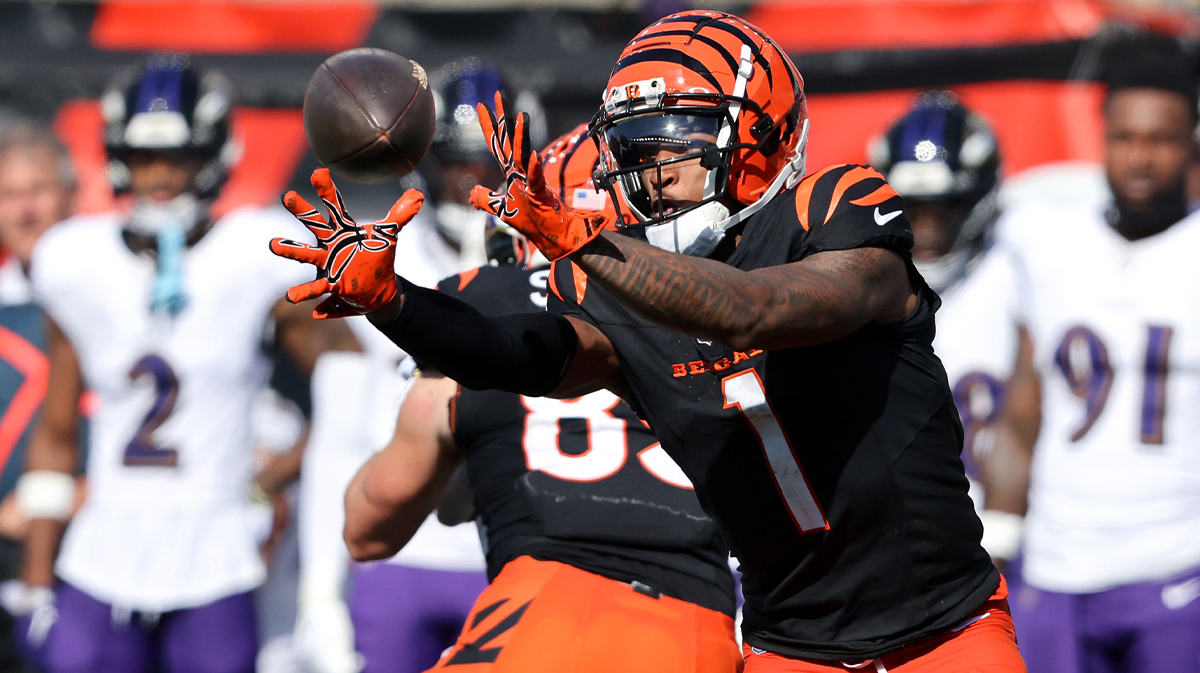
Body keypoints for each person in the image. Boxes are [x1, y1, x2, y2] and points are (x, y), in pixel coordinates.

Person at [270, 10, 1025, 672]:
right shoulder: (612, 288)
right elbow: (513, 356)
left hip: (948, 628)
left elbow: (758, 310)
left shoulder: (835, 207)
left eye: (675, 141)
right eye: (631, 146)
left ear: (759, 132)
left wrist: (593, 248)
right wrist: (394, 301)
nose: (648, 168)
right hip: (790, 645)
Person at [343, 124, 741, 673]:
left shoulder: (481, 302)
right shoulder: (726, 310)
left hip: (545, 608)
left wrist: (464, 471)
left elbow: (368, 527)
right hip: (706, 628)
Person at [14, 54, 359, 673]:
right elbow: (58, 433)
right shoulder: (75, 259)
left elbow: (352, 386)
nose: (161, 176)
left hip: (217, 546)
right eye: (145, 157)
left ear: (216, 156)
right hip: (102, 548)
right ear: (118, 156)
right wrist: (38, 581)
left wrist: (272, 479)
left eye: (179, 156)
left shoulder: (254, 253)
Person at [293, 58, 543, 673]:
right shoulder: (369, 256)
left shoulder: (560, 264)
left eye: (488, 167)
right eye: (458, 165)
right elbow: (337, 441)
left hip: (521, 546)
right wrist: (319, 593)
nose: (473, 185)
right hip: (402, 551)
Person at [987, 41, 1200, 673]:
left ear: (1191, 143)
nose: (1141, 156)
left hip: (1176, 558)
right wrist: (1000, 536)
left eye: (1161, 139)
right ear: (1101, 138)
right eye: (1125, 137)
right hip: (1057, 562)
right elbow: (1025, 407)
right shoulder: (1049, 241)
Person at [867, 92, 1027, 564]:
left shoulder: (1017, 275)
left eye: (945, 207)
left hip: (1001, 543)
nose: (928, 229)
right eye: (912, 209)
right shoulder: (856, 285)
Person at [0, 119, 77, 673]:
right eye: (9, 195)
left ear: (71, 195)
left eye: (39, 192)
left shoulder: (116, 292)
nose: (25, 210)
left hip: (90, 552)